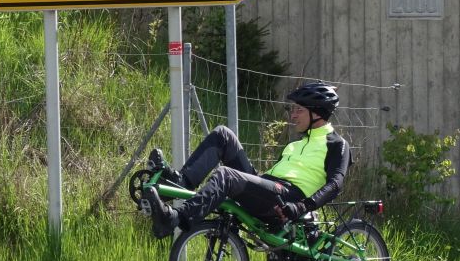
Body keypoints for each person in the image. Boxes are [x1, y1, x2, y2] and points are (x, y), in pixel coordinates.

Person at [144, 81, 350, 239]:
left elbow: (335, 185)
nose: (293, 115)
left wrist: (302, 207)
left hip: (288, 200)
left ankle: (175, 219)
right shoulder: (294, 144)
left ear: (318, 113)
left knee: (227, 175)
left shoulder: (336, 144)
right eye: (292, 109)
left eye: (299, 110)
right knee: (223, 135)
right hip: (270, 189)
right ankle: (179, 182)